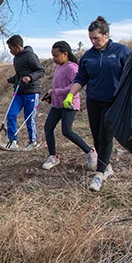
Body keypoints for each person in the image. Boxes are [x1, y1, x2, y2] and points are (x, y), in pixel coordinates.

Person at [63, 16, 130, 192]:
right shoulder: (88, 56)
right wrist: (70, 95)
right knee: (97, 136)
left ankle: (99, 175)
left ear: (106, 35)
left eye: (96, 38)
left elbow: (131, 74)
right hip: (94, 100)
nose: (93, 41)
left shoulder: (121, 51)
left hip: (113, 101)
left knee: (106, 134)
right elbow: (81, 78)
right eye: (90, 38)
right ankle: (106, 167)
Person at [40, 41, 97, 170]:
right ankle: (52, 156)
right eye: (52, 56)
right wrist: (51, 93)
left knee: (67, 131)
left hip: (69, 104)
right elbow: (58, 86)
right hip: (57, 104)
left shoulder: (72, 67)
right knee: (48, 127)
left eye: (56, 55)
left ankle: (90, 152)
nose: (54, 59)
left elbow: (75, 85)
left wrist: (57, 92)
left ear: (65, 54)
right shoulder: (59, 67)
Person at [0, 35, 45, 152]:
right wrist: (11, 79)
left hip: (32, 91)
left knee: (29, 118)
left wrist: (30, 77)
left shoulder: (30, 56)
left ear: (17, 47)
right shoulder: (16, 59)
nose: (10, 51)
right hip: (19, 92)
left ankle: (33, 142)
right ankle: (12, 141)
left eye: (10, 48)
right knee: (11, 114)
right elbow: (19, 75)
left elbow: (40, 71)